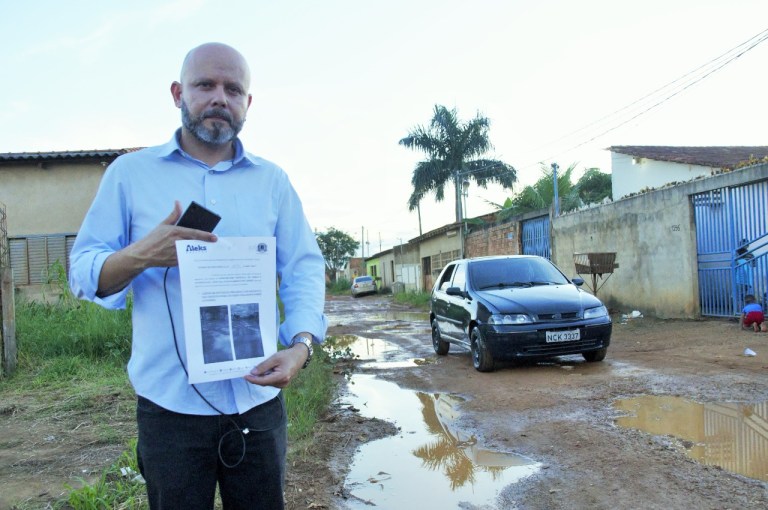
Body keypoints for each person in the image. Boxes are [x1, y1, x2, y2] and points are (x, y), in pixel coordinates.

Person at [69, 42, 327, 509]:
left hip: (258, 402)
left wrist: (301, 347)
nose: (219, 98)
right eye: (205, 85)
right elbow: (84, 272)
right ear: (177, 93)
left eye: (233, 89)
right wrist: (141, 255)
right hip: (171, 409)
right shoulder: (130, 175)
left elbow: (303, 268)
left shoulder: (273, 182)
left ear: (248, 102)